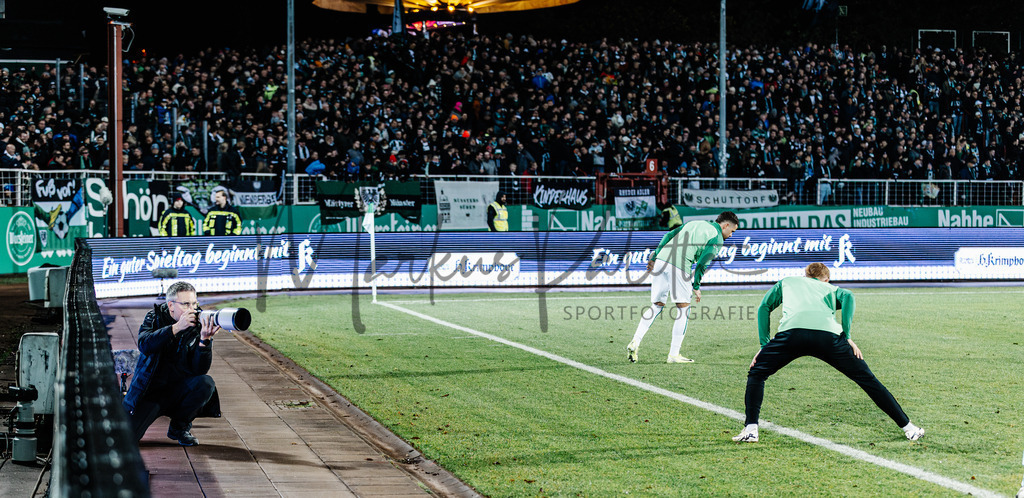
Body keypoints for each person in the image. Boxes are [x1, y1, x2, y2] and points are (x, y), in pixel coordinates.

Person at [732, 262, 924, 443]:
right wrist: (847, 336)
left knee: (757, 374)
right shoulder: (831, 289)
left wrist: (764, 345)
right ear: (826, 279)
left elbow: (764, 307)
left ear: (806, 276)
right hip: (828, 337)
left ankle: (750, 430)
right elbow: (848, 296)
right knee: (867, 380)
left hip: (791, 335)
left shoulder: (788, 282)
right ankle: (909, 428)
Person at [627, 211, 739, 363]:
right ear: (725, 225)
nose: (731, 235)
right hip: (678, 265)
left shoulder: (695, 223)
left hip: (661, 261)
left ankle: (635, 341)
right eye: (732, 231)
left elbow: (668, 235)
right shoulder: (717, 238)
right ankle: (674, 355)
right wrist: (696, 286)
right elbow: (702, 264)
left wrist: (655, 255)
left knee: (657, 305)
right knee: (683, 308)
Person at [123, 281, 221, 446]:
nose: (192, 309)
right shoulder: (154, 317)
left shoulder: (197, 324)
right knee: (127, 441)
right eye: (186, 304)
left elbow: (200, 369)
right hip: (150, 392)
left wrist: (205, 341)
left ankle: (179, 428)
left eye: (194, 303)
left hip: (178, 390)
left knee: (205, 383)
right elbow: (145, 345)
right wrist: (175, 328)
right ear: (171, 306)